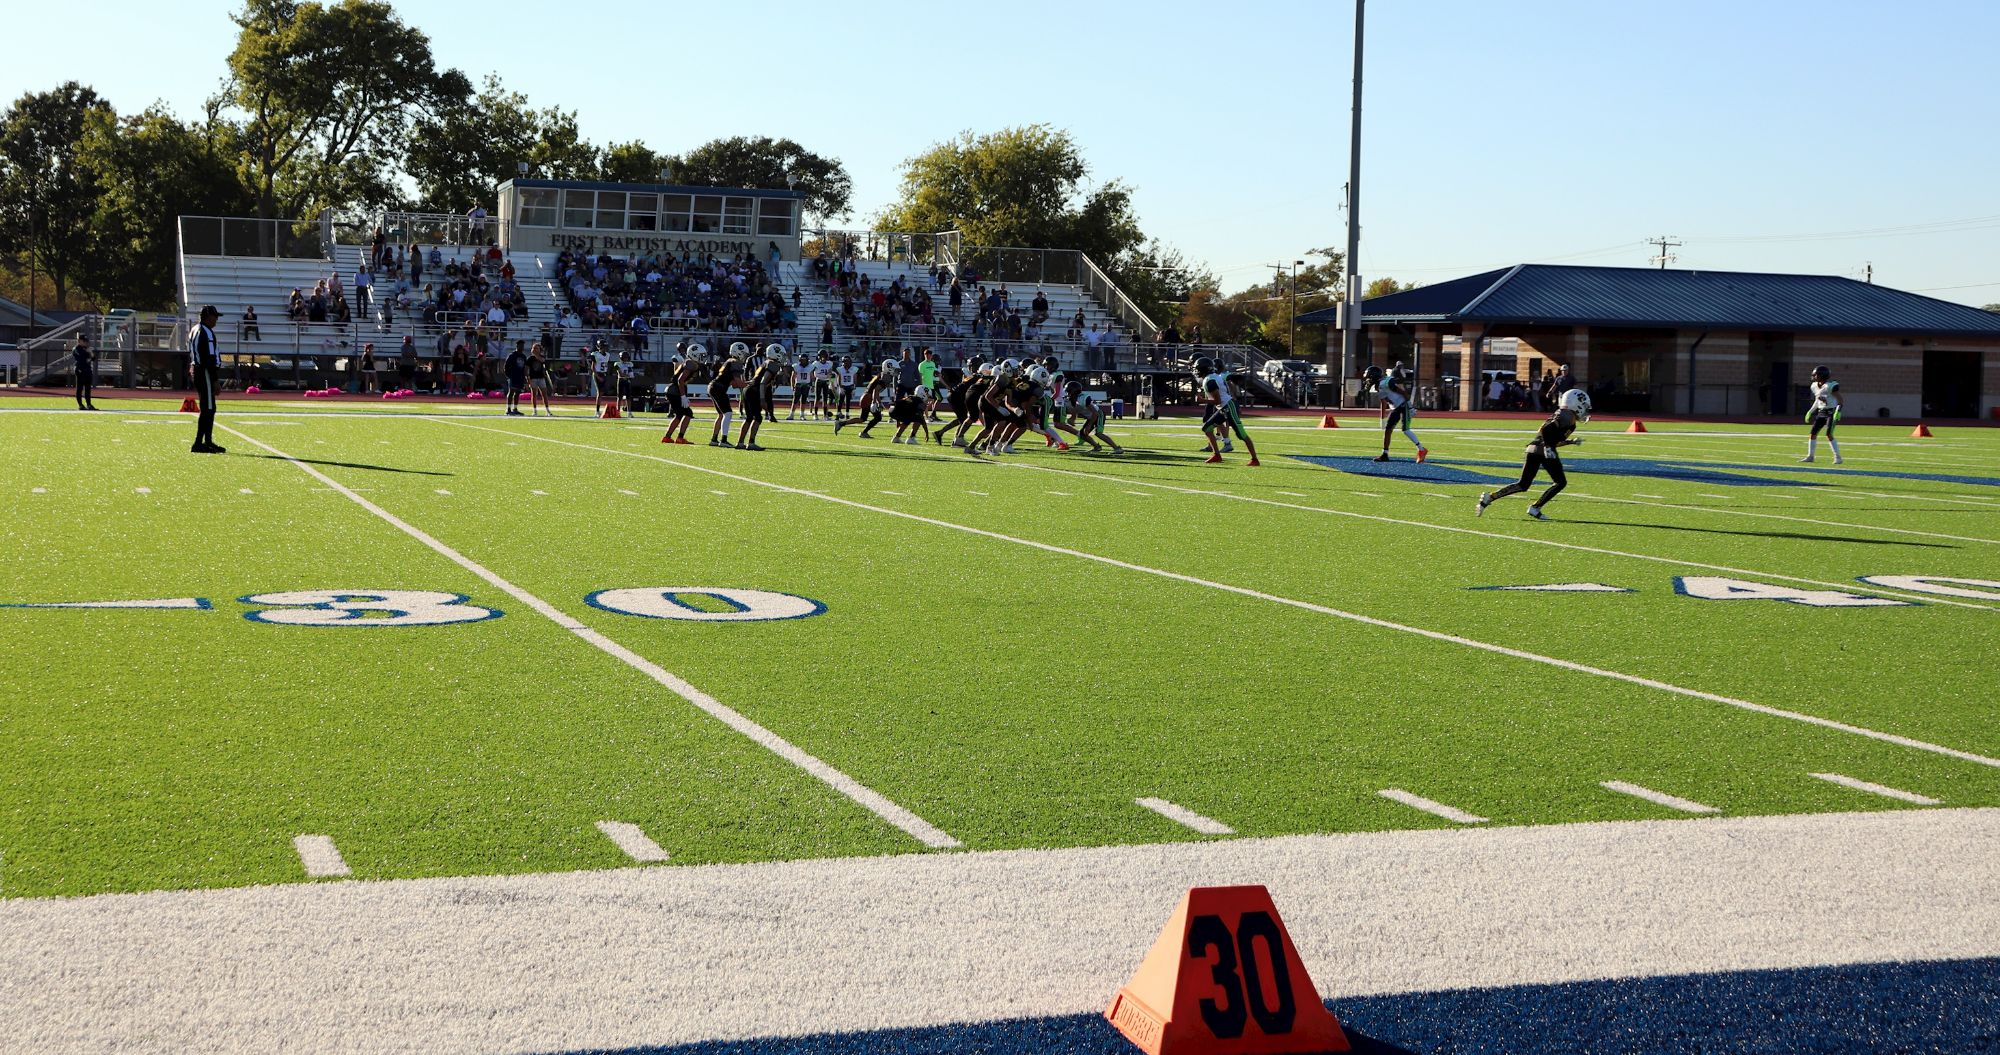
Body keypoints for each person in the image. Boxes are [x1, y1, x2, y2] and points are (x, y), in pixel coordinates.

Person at [1477, 389, 1591, 521]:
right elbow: (1546, 430)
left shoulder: (1570, 421)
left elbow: (1554, 440)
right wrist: (1548, 447)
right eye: (1584, 406)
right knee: (1560, 482)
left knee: (1523, 485)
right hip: (1543, 450)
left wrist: (1570, 442)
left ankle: (1490, 497)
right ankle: (1535, 507)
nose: (1585, 410)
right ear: (1575, 403)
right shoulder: (1565, 415)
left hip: (1533, 448)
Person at [1195, 357, 1259, 466]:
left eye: (1198, 368)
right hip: (1223, 407)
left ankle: (1254, 459)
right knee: (1207, 428)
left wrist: (1202, 400)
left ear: (1203, 369)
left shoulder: (1210, 381)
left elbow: (1217, 400)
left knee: (1241, 434)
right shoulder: (1212, 377)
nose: (1196, 371)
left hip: (1228, 406)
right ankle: (1217, 455)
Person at [1369, 363, 1428, 463]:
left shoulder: (1386, 382)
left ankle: (1422, 450)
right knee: (1388, 429)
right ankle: (1385, 454)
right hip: (1396, 408)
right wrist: (1382, 419)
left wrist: (1410, 407)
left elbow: (1404, 393)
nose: (1368, 380)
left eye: (1369, 377)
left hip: (1404, 405)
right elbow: (1383, 403)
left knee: (1405, 430)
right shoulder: (1378, 386)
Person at [188, 306, 225, 453]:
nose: (216, 319)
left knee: (209, 407)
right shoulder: (206, 332)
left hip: (199, 370)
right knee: (208, 408)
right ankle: (199, 443)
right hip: (204, 372)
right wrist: (215, 380)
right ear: (208, 316)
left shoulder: (195, 329)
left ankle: (207, 441)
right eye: (215, 316)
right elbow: (208, 358)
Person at [737, 348, 782, 450]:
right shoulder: (772, 364)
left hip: (748, 389)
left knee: (749, 418)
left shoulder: (766, 362)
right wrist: (762, 399)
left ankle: (740, 442)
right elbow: (762, 382)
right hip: (754, 391)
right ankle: (751, 443)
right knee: (757, 417)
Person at [1802, 365, 1843, 465]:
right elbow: (1817, 400)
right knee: (1813, 433)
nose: (1814, 376)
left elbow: (1840, 400)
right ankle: (1810, 456)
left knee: (1829, 434)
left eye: (1816, 374)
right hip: (1821, 412)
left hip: (1831, 412)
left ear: (1822, 375)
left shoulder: (1830, 386)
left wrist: (1838, 411)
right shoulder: (1814, 386)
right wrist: (1810, 411)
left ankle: (1838, 457)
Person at [709, 346, 745, 446]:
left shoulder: (729, 361)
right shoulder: (735, 362)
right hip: (718, 388)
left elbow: (734, 384)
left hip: (714, 386)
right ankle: (723, 440)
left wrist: (744, 383)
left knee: (721, 414)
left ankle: (714, 439)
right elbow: (738, 383)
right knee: (728, 413)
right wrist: (753, 383)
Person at [527, 343, 555, 416]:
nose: (535, 350)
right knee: (534, 394)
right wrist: (528, 379)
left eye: (537, 348)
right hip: (533, 378)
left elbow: (542, 361)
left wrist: (536, 354)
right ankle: (534, 410)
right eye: (534, 348)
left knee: (544, 394)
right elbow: (526, 369)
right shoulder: (530, 359)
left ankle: (547, 410)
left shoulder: (542, 357)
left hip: (541, 378)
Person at [71, 332, 97, 411]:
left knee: (88, 388)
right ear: (79, 341)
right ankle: (80, 404)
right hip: (80, 370)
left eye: (86, 341)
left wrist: (90, 353)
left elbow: (93, 358)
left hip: (87, 370)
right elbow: (82, 358)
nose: (86, 342)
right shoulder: (76, 349)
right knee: (79, 388)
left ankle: (89, 404)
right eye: (84, 341)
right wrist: (88, 354)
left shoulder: (86, 349)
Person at [504, 340, 528, 415]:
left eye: (523, 346)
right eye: (520, 345)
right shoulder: (512, 355)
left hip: (520, 377)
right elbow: (506, 366)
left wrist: (525, 378)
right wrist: (508, 376)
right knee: (511, 392)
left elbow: (524, 368)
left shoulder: (523, 356)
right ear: (517, 346)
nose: (522, 347)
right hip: (513, 377)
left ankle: (515, 408)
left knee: (517, 393)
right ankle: (508, 409)